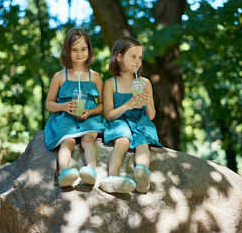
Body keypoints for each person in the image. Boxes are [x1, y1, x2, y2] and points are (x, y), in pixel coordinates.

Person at [99, 37, 161, 194]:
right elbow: (108, 115)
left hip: (139, 121)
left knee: (142, 143)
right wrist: (127, 105)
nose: (138, 61)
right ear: (119, 57)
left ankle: (141, 175)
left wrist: (146, 101)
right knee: (123, 140)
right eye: (133, 57)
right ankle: (112, 177)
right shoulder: (110, 84)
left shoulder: (145, 83)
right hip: (119, 121)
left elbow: (151, 115)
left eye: (140, 57)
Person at [44, 28, 104, 187]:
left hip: (89, 119)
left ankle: (90, 170)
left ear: (89, 50)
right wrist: (63, 106)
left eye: (83, 49)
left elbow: (103, 105)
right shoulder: (60, 76)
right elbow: (49, 103)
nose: (79, 54)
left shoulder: (95, 77)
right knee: (68, 141)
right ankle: (65, 173)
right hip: (66, 119)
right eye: (74, 50)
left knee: (88, 139)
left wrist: (90, 111)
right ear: (67, 52)